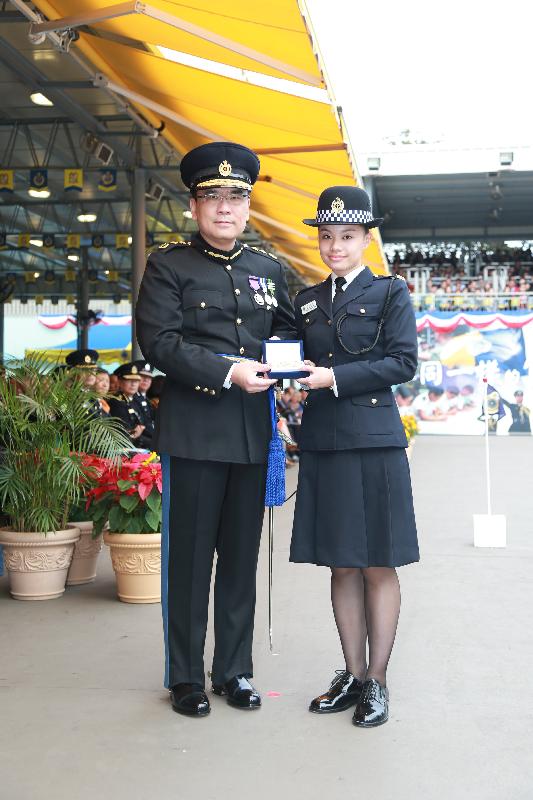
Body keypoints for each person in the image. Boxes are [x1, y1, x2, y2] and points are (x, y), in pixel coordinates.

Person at [135, 141, 295, 718]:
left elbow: (287, 336)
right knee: (190, 560)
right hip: (196, 431)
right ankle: (184, 677)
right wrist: (228, 369)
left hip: (252, 435)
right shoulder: (169, 265)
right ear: (193, 205)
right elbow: (158, 342)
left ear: (248, 206)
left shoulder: (269, 269)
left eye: (235, 197)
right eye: (212, 197)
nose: (224, 207)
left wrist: (295, 368)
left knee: (239, 559)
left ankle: (234, 670)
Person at [290, 186, 419, 728]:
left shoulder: (391, 293)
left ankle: (378, 681)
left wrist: (333, 377)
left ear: (366, 239)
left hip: (374, 441)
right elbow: (287, 356)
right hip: (324, 440)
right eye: (325, 235)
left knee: (377, 562)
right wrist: (284, 379)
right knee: (341, 561)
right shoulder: (305, 301)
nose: (334, 245)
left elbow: (403, 362)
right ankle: (352, 672)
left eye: (346, 236)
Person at [107, 363, 148, 447]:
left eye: (136, 381)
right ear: (119, 382)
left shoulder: (135, 400)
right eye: (129, 380)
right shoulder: (115, 401)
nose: (133, 384)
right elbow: (124, 430)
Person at [132, 361, 155, 448]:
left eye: (149, 377)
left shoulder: (146, 399)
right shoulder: (132, 398)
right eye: (143, 376)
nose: (146, 380)